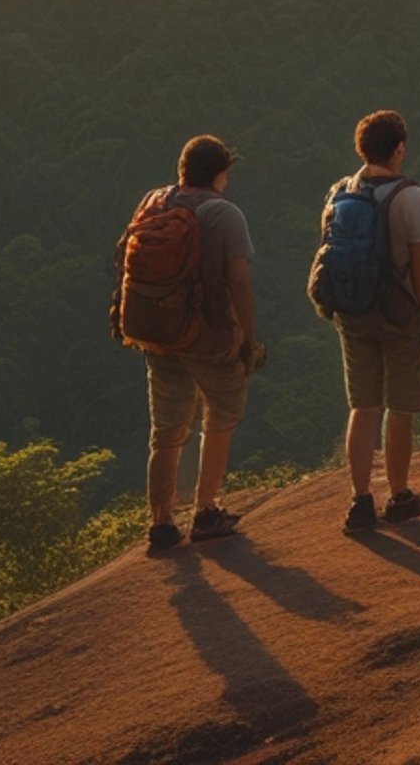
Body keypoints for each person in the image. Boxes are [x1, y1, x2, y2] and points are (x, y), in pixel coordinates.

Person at [127, 134, 257, 552]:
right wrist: (247, 337)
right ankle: (206, 510)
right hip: (209, 335)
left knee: (165, 430)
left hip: (158, 332)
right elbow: (238, 281)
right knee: (221, 412)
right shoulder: (224, 214)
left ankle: (161, 523)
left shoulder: (155, 202)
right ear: (220, 174)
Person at [321, 109, 420, 535]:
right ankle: (399, 493)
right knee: (400, 408)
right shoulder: (410, 197)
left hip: (354, 314)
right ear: (399, 149)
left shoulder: (340, 192)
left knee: (363, 406)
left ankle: (360, 500)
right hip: (400, 316)